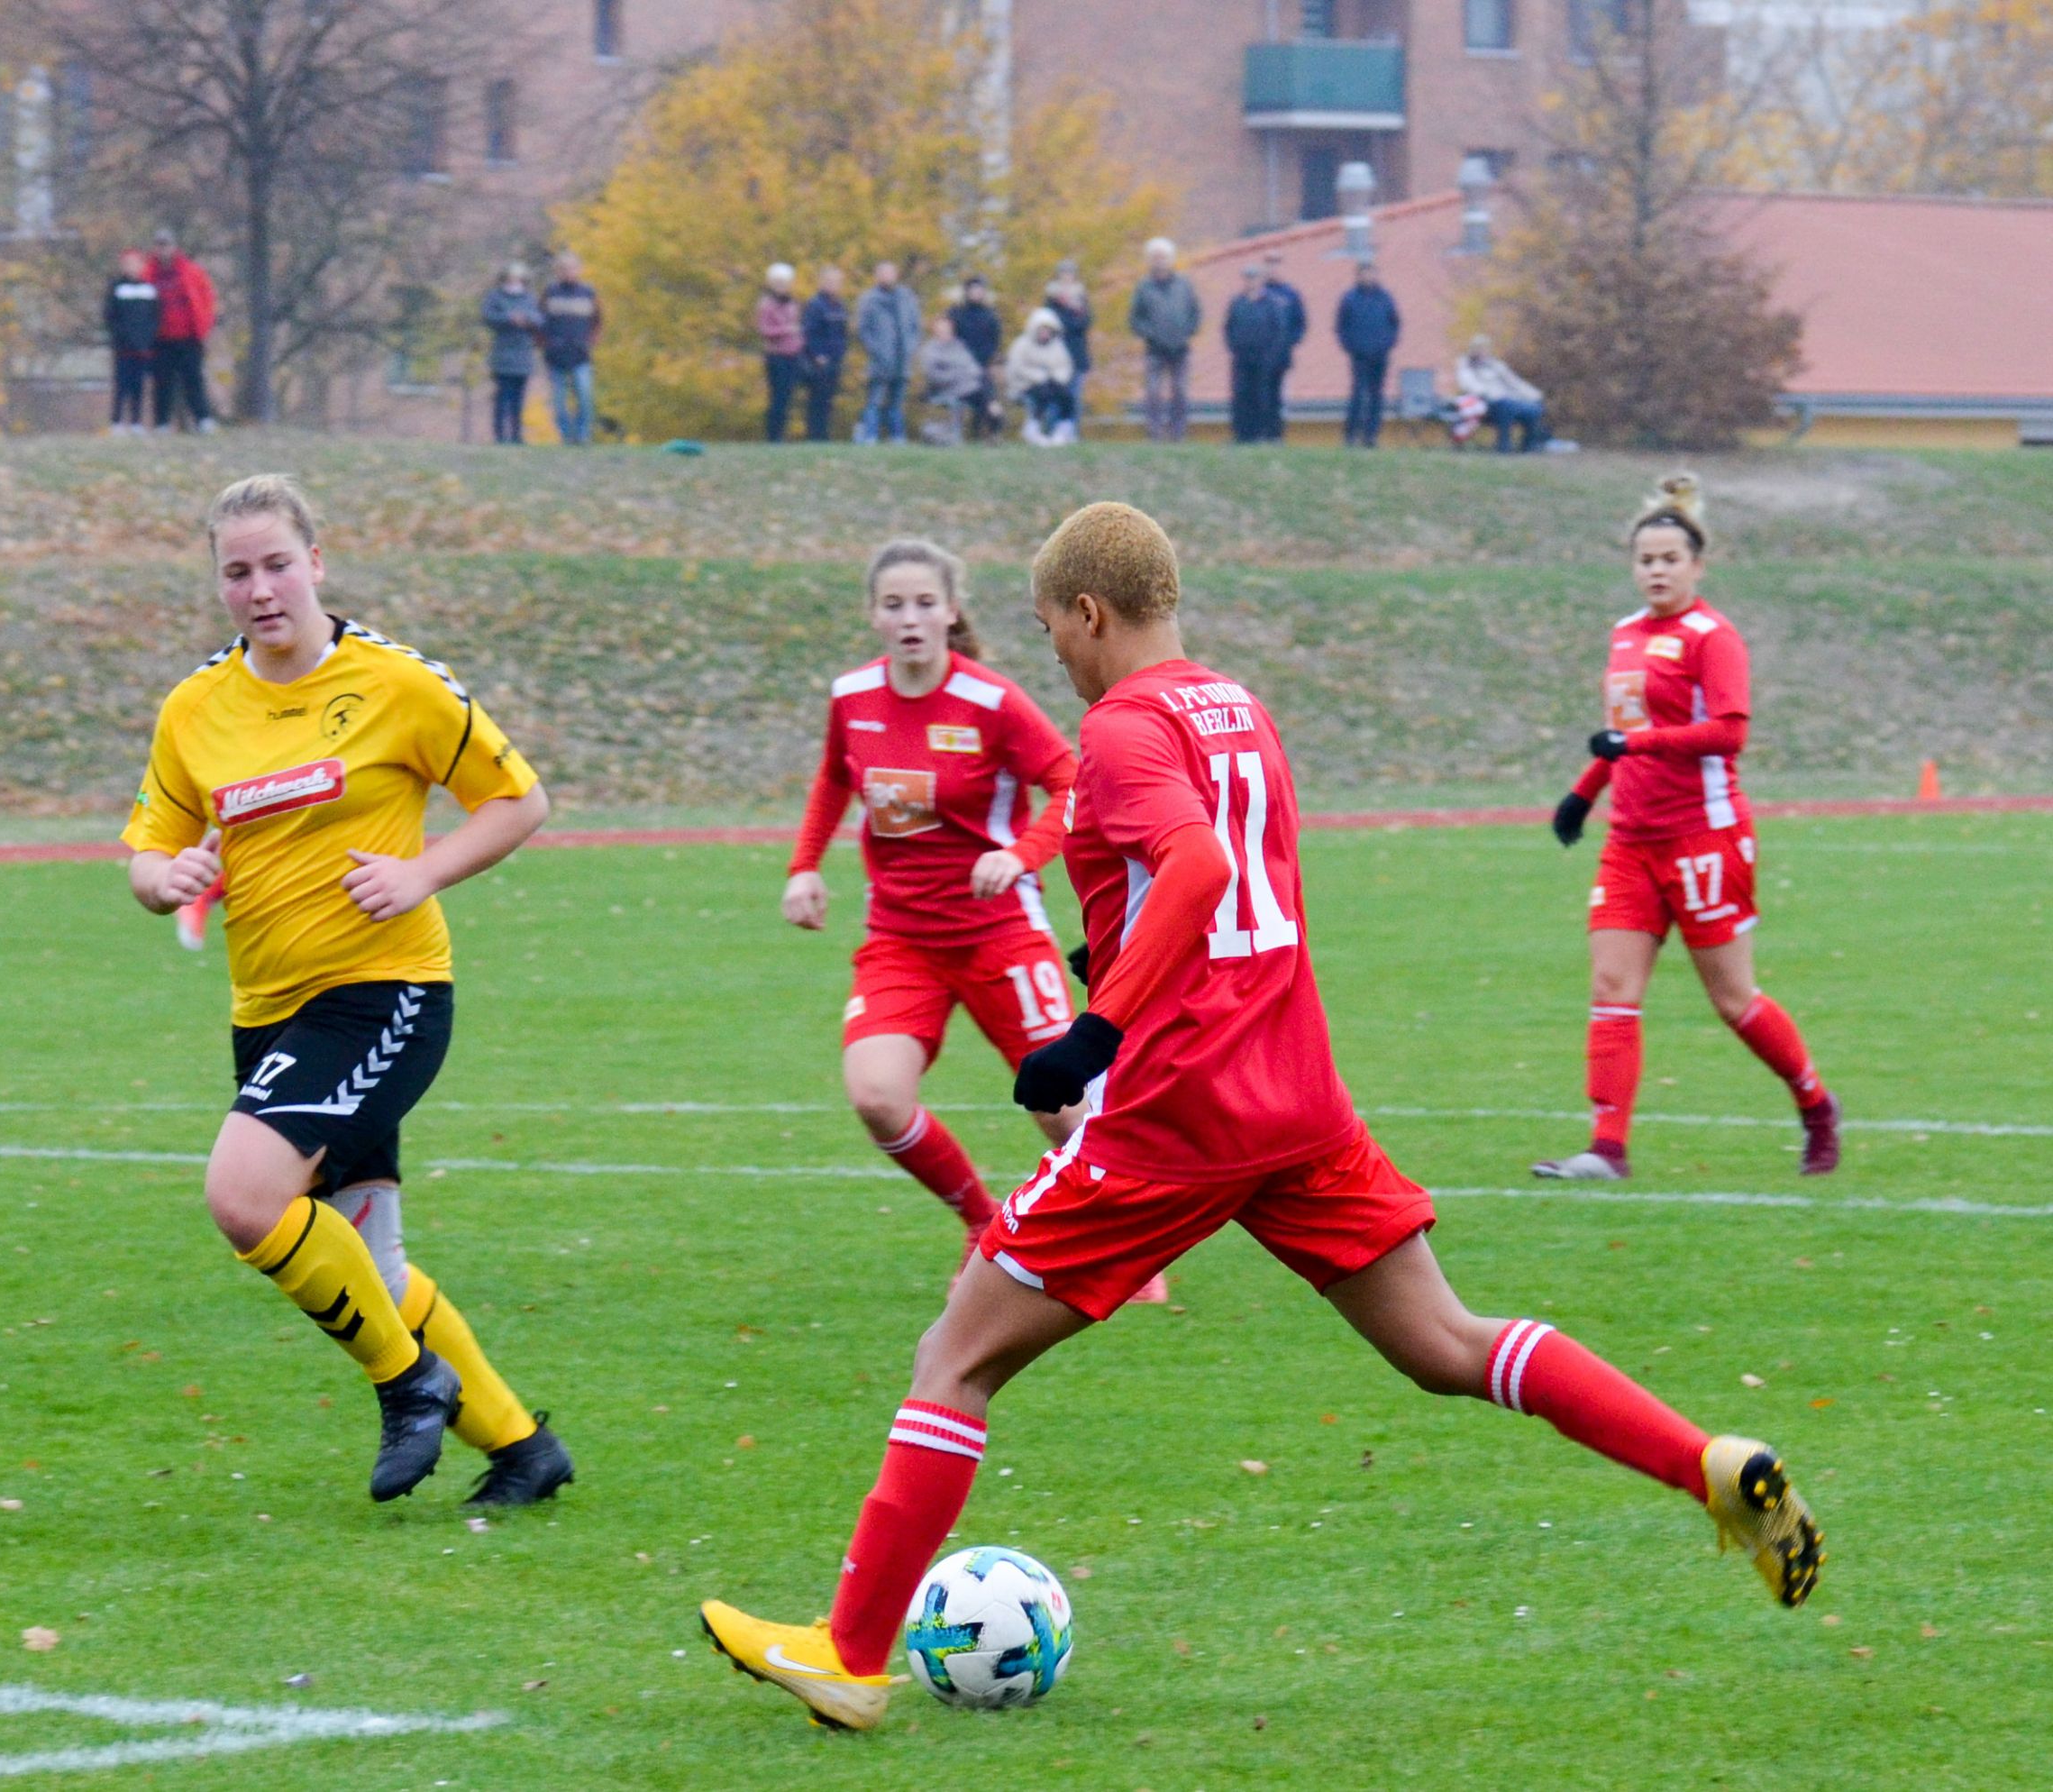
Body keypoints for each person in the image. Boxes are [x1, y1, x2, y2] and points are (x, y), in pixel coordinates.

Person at [699, 500, 1826, 1732]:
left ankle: (851, 1655)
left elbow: (1197, 868)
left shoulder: (1121, 726)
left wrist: (1096, 1027)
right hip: (1299, 1099)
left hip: (1177, 1113)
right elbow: (1228, 889)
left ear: (1090, 613)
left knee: (954, 1359)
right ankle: (1707, 1464)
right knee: (1447, 1344)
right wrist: (1109, 948)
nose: (1053, 653)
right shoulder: (1235, 705)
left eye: (1050, 627)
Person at [122, 473, 572, 1507]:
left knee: (244, 1197)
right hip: (266, 1011)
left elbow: (520, 799)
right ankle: (522, 1448)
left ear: (317, 563)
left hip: (384, 993)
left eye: (278, 564)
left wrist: (422, 872)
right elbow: (149, 847)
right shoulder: (195, 706)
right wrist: (163, 877)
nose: (259, 589)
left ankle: (411, 1382)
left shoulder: (396, 682)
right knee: (373, 1264)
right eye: (237, 571)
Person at [784, 541, 1150, 1295]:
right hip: (901, 940)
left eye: (925, 603)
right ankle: (983, 1220)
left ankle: (1132, 1247)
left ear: (951, 612)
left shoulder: (991, 701)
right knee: (877, 1097)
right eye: (894, 605)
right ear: (874, 615)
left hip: (1000, 935)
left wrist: (1020, 854)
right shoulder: (852, 696)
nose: (910, 618)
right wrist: (804, 867)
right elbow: (832, 780)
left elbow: (1071, 783)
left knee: (1064, 1107)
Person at [1537, 475, 1840, 1183]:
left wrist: (1633, 747)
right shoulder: (1624, 635)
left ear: (1697, 565)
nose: (1657, 571)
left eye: (1670, 559)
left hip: (1705, 837)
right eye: (1646, 559)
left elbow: (1728, 733)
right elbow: (1622, 733)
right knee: (1612, 985)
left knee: (1733, 999)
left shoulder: (1712, 636)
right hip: (1630, 842)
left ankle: (1816, 1105)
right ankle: (1606, 1149)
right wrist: (1583, 793)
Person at [1127, 237, 1200, 443]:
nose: (1160, 261)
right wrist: (1150, 334)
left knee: (1180, 391)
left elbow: (1195, 312)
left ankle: (1178, 434)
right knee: (1152, 392)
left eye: (1163, 257)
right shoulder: (1144, 287)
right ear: (1150, 260)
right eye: (1156, 257)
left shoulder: (1184, 285)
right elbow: (1135, 319)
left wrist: (1187, 331)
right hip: (1155, 349)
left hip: (1180, 348)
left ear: (1171, 259)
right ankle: (1155, 434)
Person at [149, 230, 220, 432]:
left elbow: (207, 300)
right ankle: (162, 423)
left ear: (174, 247)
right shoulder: (149, 274)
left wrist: (204, 328)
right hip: (161, 338)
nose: (163, 250)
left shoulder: (191, 272)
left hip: (189, 337)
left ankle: (203, 419)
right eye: (159, 245)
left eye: (166, 245)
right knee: (163, 382)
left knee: (193, 379)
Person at [538, 251, 601, 447]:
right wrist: (545, 343)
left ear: (579, 270)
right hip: (555, 355)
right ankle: (565, 435)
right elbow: (539, 320)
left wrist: (591, 341)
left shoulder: (588, 293)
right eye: (564, 269)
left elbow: (598, 320)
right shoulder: (550, 292)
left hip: (580, 354)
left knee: (584, 395)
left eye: (572, 268)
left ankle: (582, 435)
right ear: (557, 271)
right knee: (559, 399)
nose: (568, 272)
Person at [1335, 258, 1400, 449]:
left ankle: (1371, 436)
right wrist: (1351, 347)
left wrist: (1387, 344)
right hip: (1359, 356)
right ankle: (1351, 435)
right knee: (1358, 394)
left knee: (1376, 396)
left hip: (1380, 355)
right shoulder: (1349, 299)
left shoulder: (1385, 298)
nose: (1368, 276)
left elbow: (1395, 324)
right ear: (1358, 275)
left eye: (1371, 272)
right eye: (1364, 273)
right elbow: (1341, 327)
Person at [854, 261, 921, 445]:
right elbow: (862, 329)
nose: (887, 277)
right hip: (879, 359)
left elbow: (916, 326)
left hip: (903, 358)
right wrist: (875, 349)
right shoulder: (869, 299)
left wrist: (911, 347)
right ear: (877, 276)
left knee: (897, 401)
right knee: (875, 399)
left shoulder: (907, 297)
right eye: (883, 273)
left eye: (890, 273)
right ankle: (870, 437)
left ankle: (897, 437)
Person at [480, 262, 543, 446]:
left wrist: (527, 319)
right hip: (502, 354)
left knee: (519, 398)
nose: (514, 281)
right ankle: (500, 435)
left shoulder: (530, 298)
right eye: (511, 277)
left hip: (523, 354)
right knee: (502, 397)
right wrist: (509, 318)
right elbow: (488, 316)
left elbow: (540, 319)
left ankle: (516, 435)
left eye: (517, 277)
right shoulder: (495, 297)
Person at [1223, 265, 1284, 445]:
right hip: (1241, 358)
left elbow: (1279, 331)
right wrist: (1234, 347)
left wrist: (1271, 355)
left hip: (1264, 359)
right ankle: (1242, 435)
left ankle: (1262, 434)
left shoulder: (1272, 304)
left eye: (1254, 278)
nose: (1251, 282)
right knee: (1241, 396)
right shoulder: (1237, 303)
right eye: (1248, 278)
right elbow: (1228, 328)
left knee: (1262, 396)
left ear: (1261, 281)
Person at [1457, 335, 1547, 453]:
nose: (1483, 351)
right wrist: (1488, 393)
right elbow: (1468, 384)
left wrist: (1534, 394)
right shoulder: (1467, 365)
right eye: (1480, 348)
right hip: (1486, 404)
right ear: (1473, 350)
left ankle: (1529, 445)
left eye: (1485, 348)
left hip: (1508, 401)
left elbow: (1515, 382)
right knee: (1506, 406)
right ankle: (1504, 444)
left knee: (1533, 409)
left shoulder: (1497, 365)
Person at [105, 251, 161, 434]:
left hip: (144, 347)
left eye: (135, 263)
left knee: (139, 385)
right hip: (123, 347)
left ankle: (137, 421)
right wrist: (121, 337)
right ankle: (116, 421)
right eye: (128, 264)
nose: (131, 267)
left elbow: (155, 317)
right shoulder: (116, 288)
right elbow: (110, 316)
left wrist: (148, 339)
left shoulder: (149, 289)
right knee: (122, 385)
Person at [1001, 308, 1076, 445]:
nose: (1045, 333)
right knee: (1042, 394)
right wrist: (1038, 376)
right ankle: (1033, 429)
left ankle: (1063, 431)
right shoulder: (1022, 344)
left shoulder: (1057, 346)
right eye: (1042, 330)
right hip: (1024, 384)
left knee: (1067, 396)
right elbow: (1017, 367)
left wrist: (1058, 377)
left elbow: (1065, 366)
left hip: (1052, 382)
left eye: (1048, 330)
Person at [945, 276, 1002, 441]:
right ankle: (991, 426)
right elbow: (949, 340)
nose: (977, 293)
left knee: (986, 391)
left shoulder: (990, 316)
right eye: (973, 290)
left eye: (980, 290)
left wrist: (990, 363)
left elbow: (995, 342)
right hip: (959, 368)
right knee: (985, 395)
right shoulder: (956, 314)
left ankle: (987, 431)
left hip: (982, 367)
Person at [799, 267, 851, 443]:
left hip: (836, 359)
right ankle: (815, 436)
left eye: (837, 282)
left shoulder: (840, 305)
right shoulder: (815, 305)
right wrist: (817, 355)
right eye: (830, 281)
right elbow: (809, 333)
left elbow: (843, 333)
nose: (834, 285)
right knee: (817, 400)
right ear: (822, 283)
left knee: (828, 400)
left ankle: (823, 436)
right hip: (820, 361)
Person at [1260, 250, 1307, 443]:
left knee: (1279, 396)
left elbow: (1300, 324)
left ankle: (1276, 434)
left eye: (1276, 265)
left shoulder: (1291, 295)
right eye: (1269, 265)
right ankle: (1261, 433)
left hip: (1282, 356)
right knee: (1261, 395)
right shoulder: (1259, 293)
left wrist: (1289, 342)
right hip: (1261, 356)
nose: (1273, 269)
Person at [1043, 260, 1093, 437]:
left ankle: (1072, 434)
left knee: (1075, 396)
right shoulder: (1051, 299)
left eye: (1070, 273)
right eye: (1063, 273)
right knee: (1055, 396)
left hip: (1077, 354)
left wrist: (1074, 318)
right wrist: (1071, 319)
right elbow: (1051, 324)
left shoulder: (1082, 298)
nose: (1067, 277)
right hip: (1055, 355)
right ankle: (1052, 433)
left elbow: (1086, 323)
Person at [915, 316, 982, 446]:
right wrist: (958, 375)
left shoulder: (959, 345)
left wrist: (968, 374)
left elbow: (973, 366)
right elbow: (933, 376)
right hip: (944, 389)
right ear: (935, 331)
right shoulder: (930, 350)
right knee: (983, 395)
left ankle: (985, 427)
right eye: (942, 330)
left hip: (966, 386)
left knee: (983, 387)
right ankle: (989, 427)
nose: (945, 332)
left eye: (947, 329)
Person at [754, 264, 803, 444]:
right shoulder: (766, 305)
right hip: (776, 355)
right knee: (778, 397)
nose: (783, 286)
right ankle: (774, 436)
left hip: (793, 355)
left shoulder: (792, 303)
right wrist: (786, 330)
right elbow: (764, 330)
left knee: (788, 396)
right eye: (779, 283)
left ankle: (782, 434)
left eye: (786, 282)